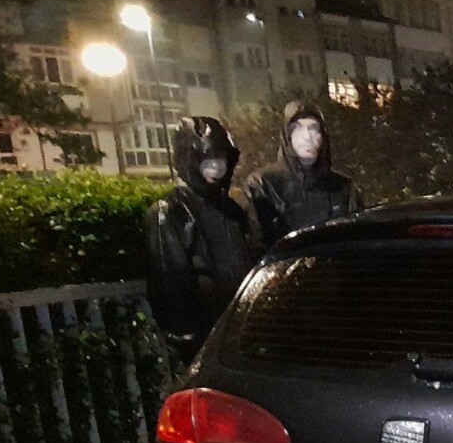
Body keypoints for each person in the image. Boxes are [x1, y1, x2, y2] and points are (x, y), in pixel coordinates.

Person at [146, 117, 257, 361]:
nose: (217, 167)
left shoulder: (231, 210)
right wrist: (189, 344)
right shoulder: (170, 211)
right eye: (207, 159)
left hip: (242, 337)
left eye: (221, 158)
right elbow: (170, 286)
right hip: (205, 344)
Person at [243, 100, 362, 246]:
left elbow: (356, 238)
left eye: (313, 128)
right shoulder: (263, 184)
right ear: (287, 135)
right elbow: (259, 246)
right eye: (297, 128)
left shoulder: (344, 187)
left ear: (322, 136)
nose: (307, 136)